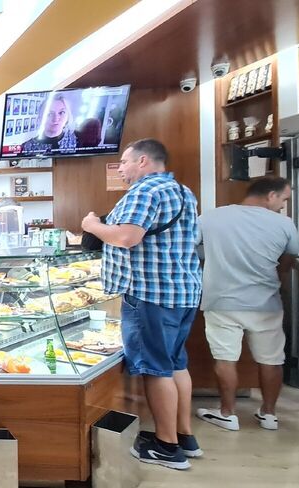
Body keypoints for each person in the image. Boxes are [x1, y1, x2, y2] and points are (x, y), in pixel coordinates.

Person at [81, 139, 202, 470]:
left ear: (143, 161)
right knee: (175, 364)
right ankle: (184, 437)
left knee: (155, 369)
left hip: (151, 293)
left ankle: (166, 447)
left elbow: (126, 237)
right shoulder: (183, 191)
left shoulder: (145, 191)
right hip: (182, 292)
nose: (120, 168)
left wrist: (91, 226)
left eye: (124, 162)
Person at [196, 177, 299, 432]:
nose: (283, 206)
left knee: (225, 359)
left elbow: (188, 249)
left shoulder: (210, 218)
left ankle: (227, 414)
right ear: (271, 195)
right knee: (271, 359)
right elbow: (285, 265)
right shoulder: (284, 224)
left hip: (221, 301)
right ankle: (269, 414)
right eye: (283, 199)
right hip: (266, 303)